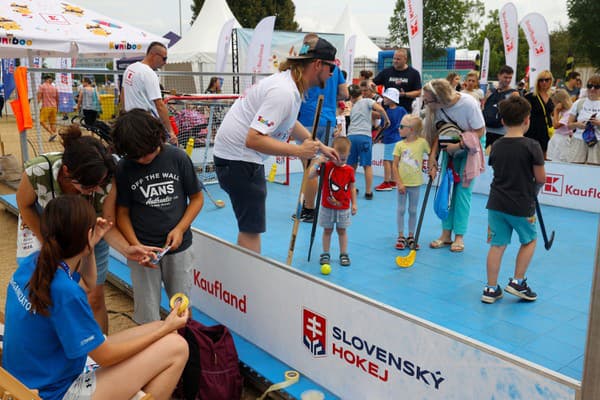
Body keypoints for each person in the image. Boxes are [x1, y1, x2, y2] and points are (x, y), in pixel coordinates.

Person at [3, 195, 189, 400]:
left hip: (27, 378)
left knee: (157, 329)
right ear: (84, 236)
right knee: (176, 347)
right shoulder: (65, 291)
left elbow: (88, 284)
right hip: (54, 393)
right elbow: (105, 356)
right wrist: (167, 327)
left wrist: (88, 248)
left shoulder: (35, 263)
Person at [15, 126, 157, 333]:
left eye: (99, 184)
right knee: (43, 291)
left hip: (89, 234)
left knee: (94, 296)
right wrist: (47, 242)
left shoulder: (107, 178)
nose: (94, 190)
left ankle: (99, 353)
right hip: (46, 231)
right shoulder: (38, 171)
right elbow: (24, 205)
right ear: (66, 172)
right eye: (88, 186)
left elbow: (106, 224)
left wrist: (127, 249)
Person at [212, 34, 339, 253]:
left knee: (249, 226)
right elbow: (254, 139)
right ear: (318, 64)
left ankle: (244, 271)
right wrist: (299, 150)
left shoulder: (288, 84)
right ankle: (247, 280)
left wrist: (318, 146)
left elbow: (289, 121)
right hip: (240, 160)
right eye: (332, 68)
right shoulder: (284, 92)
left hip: (234, 158)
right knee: (251, 230)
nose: (332, 74)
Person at [112, 109, 204, 323]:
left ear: (158, 138)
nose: (143, 160)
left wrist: (180, 228)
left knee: (181, 309)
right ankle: (152, 354)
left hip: (179, 248)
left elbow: (197, 199)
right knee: (147, 312)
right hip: (142, 252)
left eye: (148, 153)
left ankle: (182, 350)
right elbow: (122, 213)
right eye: (137, 157)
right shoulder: (124, 168)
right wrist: (136, 246)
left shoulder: (178, 157)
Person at [482, 96, 545, 304]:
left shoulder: (497, 145)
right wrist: (532, 191)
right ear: (527, 120)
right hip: (521, 204)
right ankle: (518, 282)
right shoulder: (532, 146)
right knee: (529, 240)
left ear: (502, 121)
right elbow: (541, 178)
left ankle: (490, 289)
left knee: (497, 245)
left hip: (496, 203)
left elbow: (498, 169)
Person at [423, 79, 485, 253]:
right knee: (447, 190)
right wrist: (432, 156)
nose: (426, 104)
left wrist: (459, 146)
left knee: (462, 193)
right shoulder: (438, 107)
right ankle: (445, 234)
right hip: (448, 145)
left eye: (428, 100)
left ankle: (459, 235)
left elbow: (480, 131)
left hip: (469, 148)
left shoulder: (468, 104)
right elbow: (439, 132)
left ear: (440, 98)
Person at [295, 33, 349, 223]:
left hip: (307, 119)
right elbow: (345, 93)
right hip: (327, 119)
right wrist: (331, 99)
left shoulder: (304, 69)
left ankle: (310, 208)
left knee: (310, 167)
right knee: (319, 165)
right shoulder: (335, 68)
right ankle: (319, 203)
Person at [310, 136, 356, 267]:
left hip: (344, 208)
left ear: (349, 155)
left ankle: (343, 254)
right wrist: (318, 162)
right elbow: (310, 176)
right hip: (327, 207)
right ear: (332, 153)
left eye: (344, 158)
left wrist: (355, 204)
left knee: (342, 231)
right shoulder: (327, 166)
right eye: (337, 158)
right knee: (327, 231)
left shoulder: (349, 170)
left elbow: (352, 188)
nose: (340, 161)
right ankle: (325, 253)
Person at [122, 41, 176, 144]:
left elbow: (123, 94)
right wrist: (171, 131)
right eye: (164, 58)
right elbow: (159, 105)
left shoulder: (130, 68)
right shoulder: (149, 74)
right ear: (154, 55)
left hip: (130, 124)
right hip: (145, 126)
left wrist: (123, 116)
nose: (165, 62)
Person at [392, 114, 430, 250]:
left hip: (415, 183)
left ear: (411, 130)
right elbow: (394, 165)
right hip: (403, 184)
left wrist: (433, 165)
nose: (399, 128)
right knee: (401, 209)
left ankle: (411, 235)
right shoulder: (399, 145)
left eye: (402, 126)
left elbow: (432, 153)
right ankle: (401, 235)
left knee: (413, 210)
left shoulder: (422, 143)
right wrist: (399, 183)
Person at [346, 84, 390, 199]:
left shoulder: (353, 107)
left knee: (351, 165)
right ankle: (368, 192)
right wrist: (386, 119)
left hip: (351, 136)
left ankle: (351, 189)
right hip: (364, 136)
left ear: (351, 97)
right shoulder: (368, 101)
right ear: (361, 93)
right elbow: (380, 109)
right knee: (367, 166)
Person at [374, 87, 407, 191]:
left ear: (392, 99)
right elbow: (407, 121)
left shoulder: (386, 111)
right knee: (393, 160)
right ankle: (393, 181)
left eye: (386, 97)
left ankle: (387, 182)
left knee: (387, 160)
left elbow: (383, 126)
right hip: (397, 139)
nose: (384, 99)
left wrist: (377, 137)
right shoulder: (401, 110)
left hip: (390, 139)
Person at [373, 48, 422, 113]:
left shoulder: (413, 73)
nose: (395, 61)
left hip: (405, 110)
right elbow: (373, 83)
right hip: (387, 110)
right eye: (394, 58)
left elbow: (419, 92)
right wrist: (374, 91)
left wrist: (404, 94)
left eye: (398, 59)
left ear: (405, 59)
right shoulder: (386, 72)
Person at [483, 65, 519, 151]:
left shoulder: (514, 94)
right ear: (499, 76)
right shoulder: (490, 91)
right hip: (486, 129)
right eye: (505, 77)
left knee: (499, 158)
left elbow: (516, 114)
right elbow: (484, 107)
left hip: (502, 131)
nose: (508, 80)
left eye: (510, 78)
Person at [566, 74, 600, 164]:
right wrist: (577, 125)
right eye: (589, 86)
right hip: (579, 139)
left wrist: (598, 124)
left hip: (597, 142)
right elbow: (569, 125)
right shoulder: (579, 103)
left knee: (595, 170)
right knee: (575, 167)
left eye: (596, 87)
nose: (592, 89)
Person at [524, 70, 554, 158]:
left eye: (546, 80)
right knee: (531, 156)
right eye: (541, 80)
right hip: (532, 130)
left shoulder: (552, 96)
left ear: (550, 81)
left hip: (547, 130)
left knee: (545, 156)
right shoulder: (530, 97)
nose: (544, 82)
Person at [546, 89, 574, 163]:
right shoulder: (562, 112)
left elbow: (556, 125)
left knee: (561, 161)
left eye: (554, 103)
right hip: (556, 137)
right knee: (551, 160)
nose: (553, 105)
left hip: (563, 140)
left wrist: (556, 111)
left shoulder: (569, 112)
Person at [37, 75, 59, 141]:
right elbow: (57, 99)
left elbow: (39, 97)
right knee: (53, 122)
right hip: (54, 107)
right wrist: (57, 107)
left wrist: (36, 105)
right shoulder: (54, 88)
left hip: (46, 106)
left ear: (45, 79)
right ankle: (53, 136)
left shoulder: (42, 86)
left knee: (41, 121)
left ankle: (52, 133)